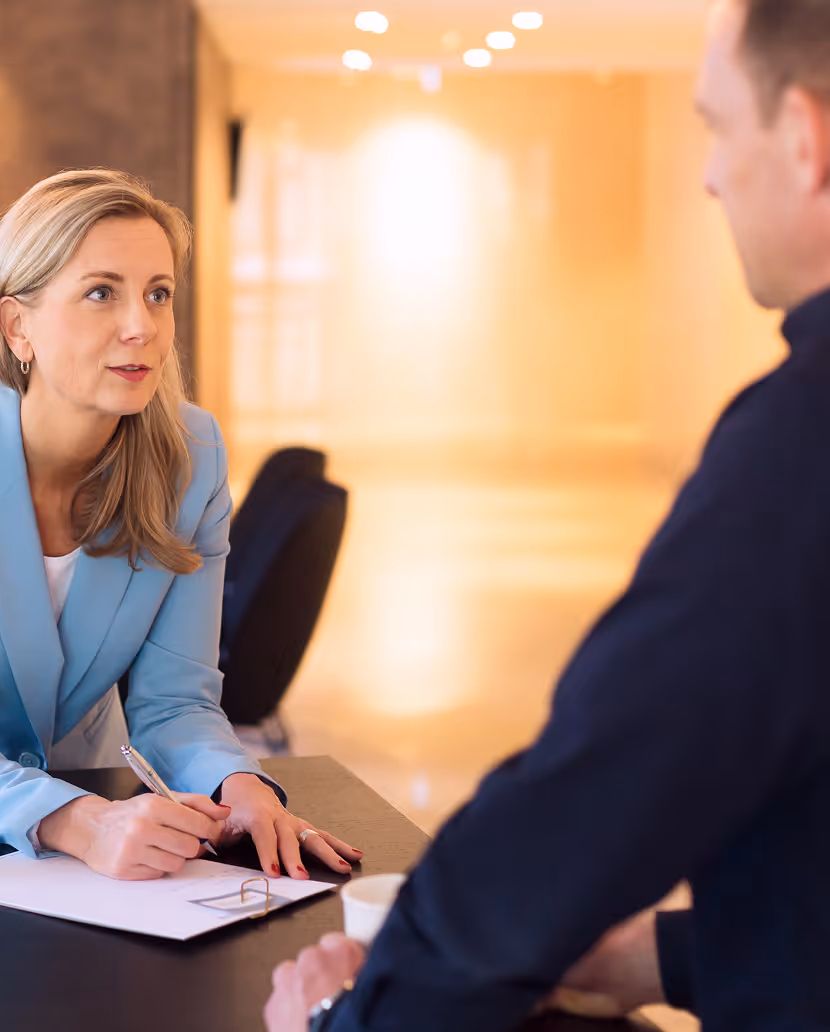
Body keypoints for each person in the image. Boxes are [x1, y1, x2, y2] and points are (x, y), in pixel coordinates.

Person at [265, 0, 830, 1027]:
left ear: (803, 138)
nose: (707, 174)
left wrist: (349, 1017)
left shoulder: (799, 445)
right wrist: (664, 957)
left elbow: (598, 789)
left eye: (717, 126)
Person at [0, 169, 361, 882]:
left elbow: (175, 703)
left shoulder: (190, 460)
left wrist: (243, 790)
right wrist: (89, 823)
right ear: (19, 326)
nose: (141, 325)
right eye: (101, 292)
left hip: (53, 803)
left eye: (159, 294)